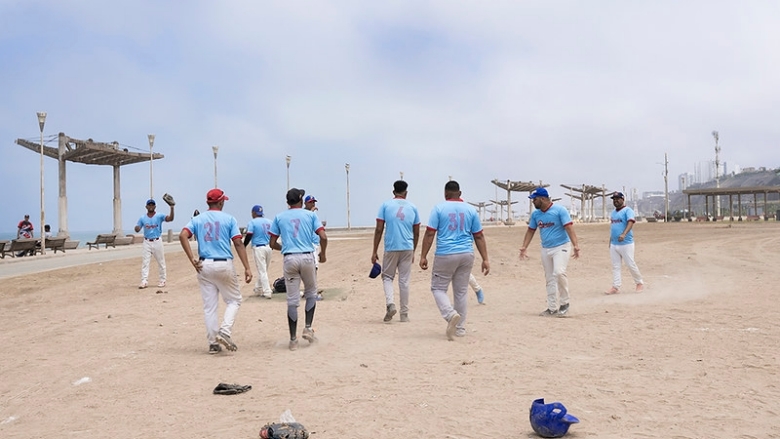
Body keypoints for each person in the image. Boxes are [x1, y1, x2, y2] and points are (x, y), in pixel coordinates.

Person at [178, 188, 252, 355]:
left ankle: (213, 343)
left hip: (204, 264)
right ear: (220, 202)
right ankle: (225, 331)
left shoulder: (198, 219)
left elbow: (183, 235)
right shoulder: (229, 219)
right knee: (234, 300)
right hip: (223, 263)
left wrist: (192, 259)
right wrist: (247, 267)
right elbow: (239, 243)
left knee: (209, 307)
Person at [420, 180, 490, 340]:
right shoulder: (471, 210)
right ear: (460, 193)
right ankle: (460, 329)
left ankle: (450, 314)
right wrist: (485, 258)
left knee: (438, 289)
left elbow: (430, 233)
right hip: (466, 253)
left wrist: (423, 255)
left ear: (445, 194)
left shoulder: (439, 208)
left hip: (445, 253)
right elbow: (478, 235)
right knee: (461, 291)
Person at [269, 188, 328, 351]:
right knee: (311, 293)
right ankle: (308, 327)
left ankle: (293, 340)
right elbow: (323, 236)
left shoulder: (279, 217)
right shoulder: (310, 216)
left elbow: (272, 242)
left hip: (290, 258)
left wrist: (284, 248)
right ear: (301, 201)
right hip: (307, 256)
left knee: (292, 299)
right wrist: (323, 254)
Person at [519, 187, 581, 317]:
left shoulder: (560, 210)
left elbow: (569, 228)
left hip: (561, 246)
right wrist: (524, 247)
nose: (533, 202)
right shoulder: (536, 215)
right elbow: (531, 231)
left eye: (534, 199)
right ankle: (552, 308)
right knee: (549, 278)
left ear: (542, 199)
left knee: (559, 272)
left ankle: (565, 303)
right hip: (546, 248)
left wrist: (576, 245)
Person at [371, 180, 420, 323]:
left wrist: (374, 250)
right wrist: (414, 250)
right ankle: (404, 314)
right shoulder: (413, 207)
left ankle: (390, 304)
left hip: (392, 246)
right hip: (407, 246)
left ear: (393, 192)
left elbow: (379, 229)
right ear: (406, 192)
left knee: (387, 277)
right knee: (404, 281)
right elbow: (416, 232)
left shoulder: (385, 205)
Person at [606, 191, 644, 294]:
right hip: (614, 244)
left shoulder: (628, 211)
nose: (615, 201)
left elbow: (630, 222)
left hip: (626, 243)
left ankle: (639, 283)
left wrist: (624, 234)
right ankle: (615, 286)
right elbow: (613, 227)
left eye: (617, 199)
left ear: (623, 199)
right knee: (616, 266)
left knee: (630, 264)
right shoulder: (613, 213)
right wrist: (610, 240)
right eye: (614, 199)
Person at [134, 198, 174, 289]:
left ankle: (162, 280)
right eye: (149, 205)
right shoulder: (143, 218)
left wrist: (172, 208)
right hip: (147, 241)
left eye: (152, 205)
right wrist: (137, 228)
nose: (151, 206)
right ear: (146, 206)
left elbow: (170, 218)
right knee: (145, 262)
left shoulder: (159, 216)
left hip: (157, 241)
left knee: (161, 262)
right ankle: (144, 281)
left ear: (155, 206)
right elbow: (138, 227)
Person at [243, 205, 274, 298]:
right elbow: (274, 234)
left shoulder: (252, 222)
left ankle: (267, 291)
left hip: (259, 247)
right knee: (264, 270)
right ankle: (258, 288)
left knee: (262, 270)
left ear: (253, 213)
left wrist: (244, 245)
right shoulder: (269, 222)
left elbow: (249, 235)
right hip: (269, 247)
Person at [303, 194, 324, 300]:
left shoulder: (313, 215)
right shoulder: (306, 213)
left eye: (313, 202)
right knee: (312, 267)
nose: (313, 204)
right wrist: (312, 211)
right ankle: (312, 292)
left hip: (315, 243)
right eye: (311, 202)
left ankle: (311, 289)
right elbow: (305, 220)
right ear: (305, 203)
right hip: (309, 243)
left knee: (314, 268)